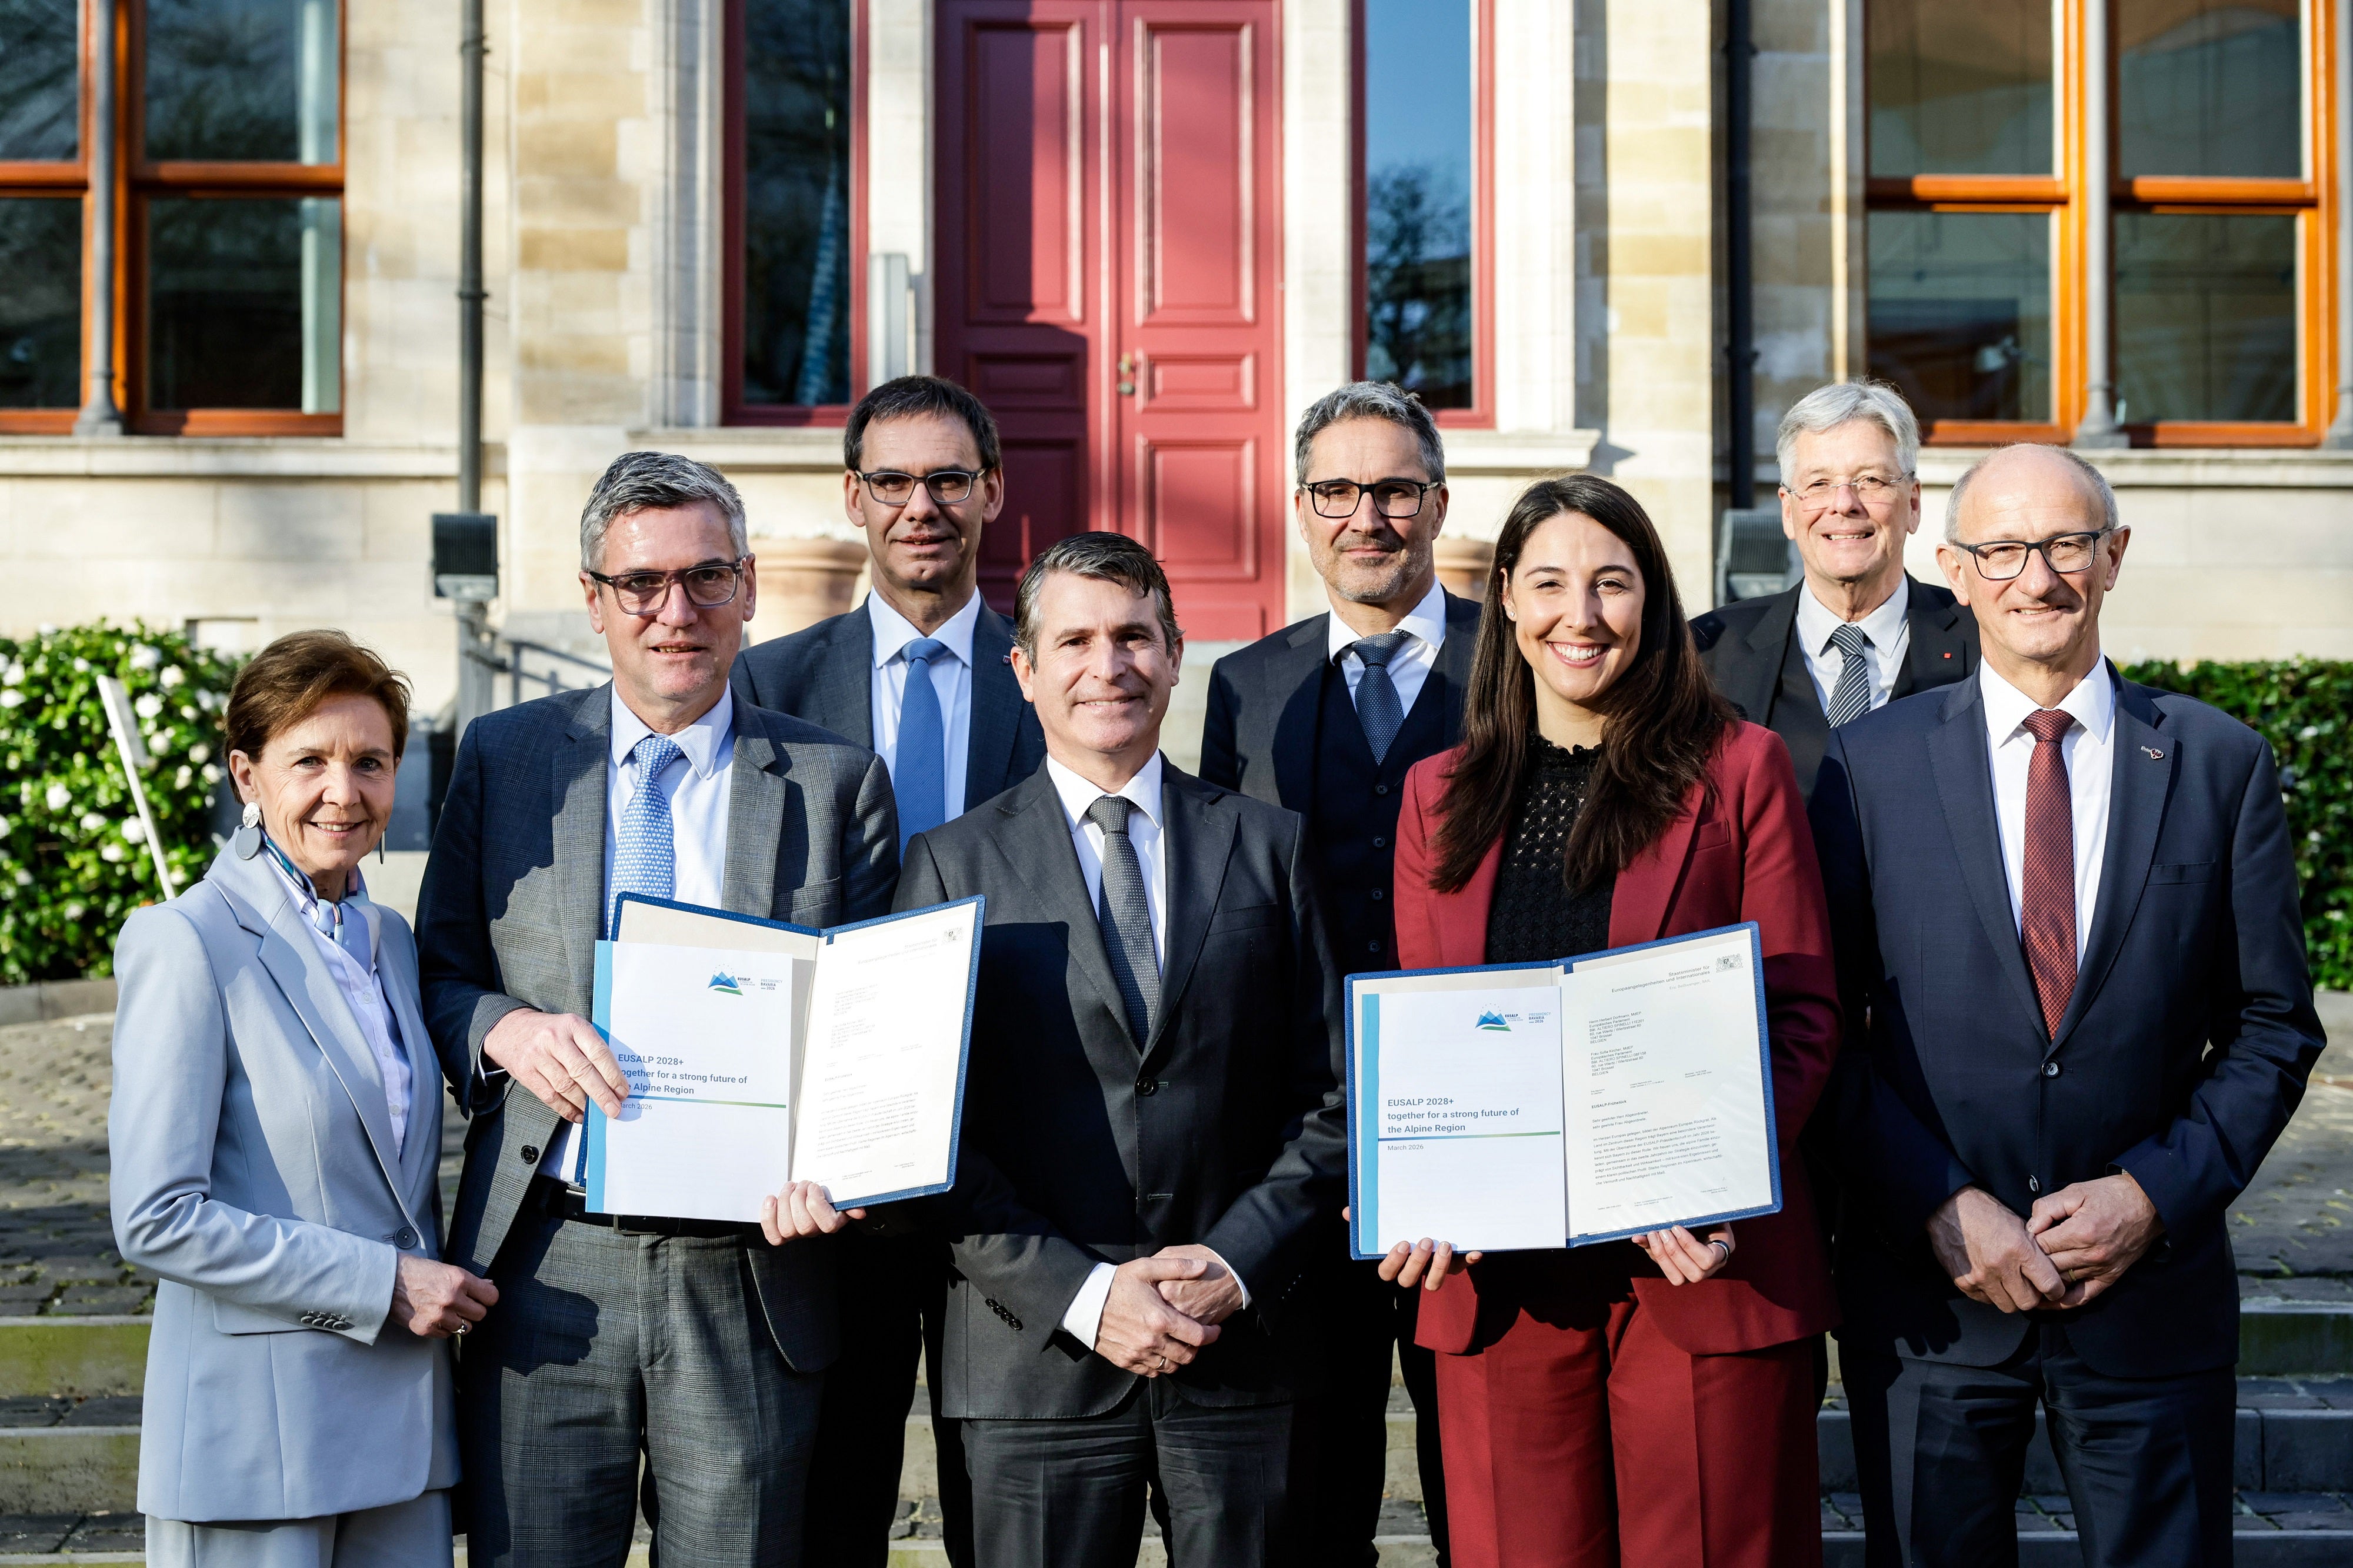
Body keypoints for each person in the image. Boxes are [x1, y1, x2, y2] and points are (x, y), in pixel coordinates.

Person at [1810, 444, 2325, 1567]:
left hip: (2151, 1303)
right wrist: (1938, 1202)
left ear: (2115, 556)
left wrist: (2151, 1195)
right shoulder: (1864, 769)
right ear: (1954, 569)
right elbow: (1821, 1029)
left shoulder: (2219, 763)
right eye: (2001, 550)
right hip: (1934, 1303)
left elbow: (2274, 1027)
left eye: (2065, 546)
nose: (2035, 578)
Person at [415, 452, 899, 1568]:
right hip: (546, 1259)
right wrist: (505, 1029)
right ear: (594, 599)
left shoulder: (836, 780)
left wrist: (842, 1155)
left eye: (706, 577)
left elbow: (870, 1035)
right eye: (641, 582)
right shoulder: (506, 758)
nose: (675, 612)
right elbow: (439, 973)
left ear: (749, 586)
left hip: (749, 1271)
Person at [1384, 474, 1841, 1568]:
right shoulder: (1436, 796)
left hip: (1698, 1263)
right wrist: (1415, 1181)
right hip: (1502, 1282)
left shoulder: (1741, 769)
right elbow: (1426, 1031)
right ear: (1504, 596)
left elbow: (1802, 1014)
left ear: (1653, 598)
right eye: (1549, 583)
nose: (1579, 616)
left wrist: (1718, 1181)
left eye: (1612, 583)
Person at [892, 531, 1349, 1568]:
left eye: (1135, 636)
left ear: (1176, 654)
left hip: (1241, 1347)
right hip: (1033, 1359)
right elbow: (925, 1136)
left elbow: (1333, 1093)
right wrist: (1087, 1295)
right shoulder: (950, 865)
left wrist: (1236, 1261)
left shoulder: (1269, 846)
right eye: (1076, 641)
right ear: (1024, 669)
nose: (1110, 665)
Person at [731, 375, 1044, 1567]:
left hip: (1014, 1157)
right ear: (853, 496)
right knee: (832, 1504)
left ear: (992, 493)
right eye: (896, 481)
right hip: (832, 1172)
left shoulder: (1058, 671)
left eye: (950, 479)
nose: (923, 506)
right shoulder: (768, 683)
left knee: (1008, 1517)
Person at [111, 630, 494, 1567]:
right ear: (246, 774)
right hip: (256, 1444)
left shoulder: (390, 938)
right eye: (309, 761)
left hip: (406, 1446)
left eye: (370, 762)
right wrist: (382, 1282)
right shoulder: (185, 940)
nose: (344, 791)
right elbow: (156, 1219)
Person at [1198, 379, 1474, 1563]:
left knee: (1487, 1493)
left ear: (1438, 505)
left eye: (1396, 491)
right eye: (1338, 491)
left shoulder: (1519, 661)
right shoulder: (1244, 685)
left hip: (1479, 1134)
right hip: (1303, 1146)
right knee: (1313, 1498)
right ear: (1300, 507)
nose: (1368, 517)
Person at [1691, 380, 1977, 800]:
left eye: (1871, 480)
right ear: (1788, 511)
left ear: (1913, 504)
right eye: (1819, 484)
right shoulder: (1705, 654)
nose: (1844, 503)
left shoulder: (1987, 640)